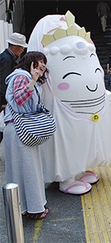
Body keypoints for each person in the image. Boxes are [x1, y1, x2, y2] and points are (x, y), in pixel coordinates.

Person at [3, 51, 49, 219]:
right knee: (29, 170)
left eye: (44, 62)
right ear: (30, 62)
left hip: (19, 129)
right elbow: (20, 99)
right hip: (19, 129)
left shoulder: (23, 77)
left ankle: (24, 207)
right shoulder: (22, 77)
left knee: (21, 170)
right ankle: (34, 209)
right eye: (40, 61)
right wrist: (33, 80)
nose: (43, 65)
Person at [0, 32, 28, 142]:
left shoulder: (7, 58)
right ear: (14, 46)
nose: (22, 50)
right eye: (21, 47)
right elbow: (3, 81)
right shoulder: (6, 60)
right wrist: (5, 101)